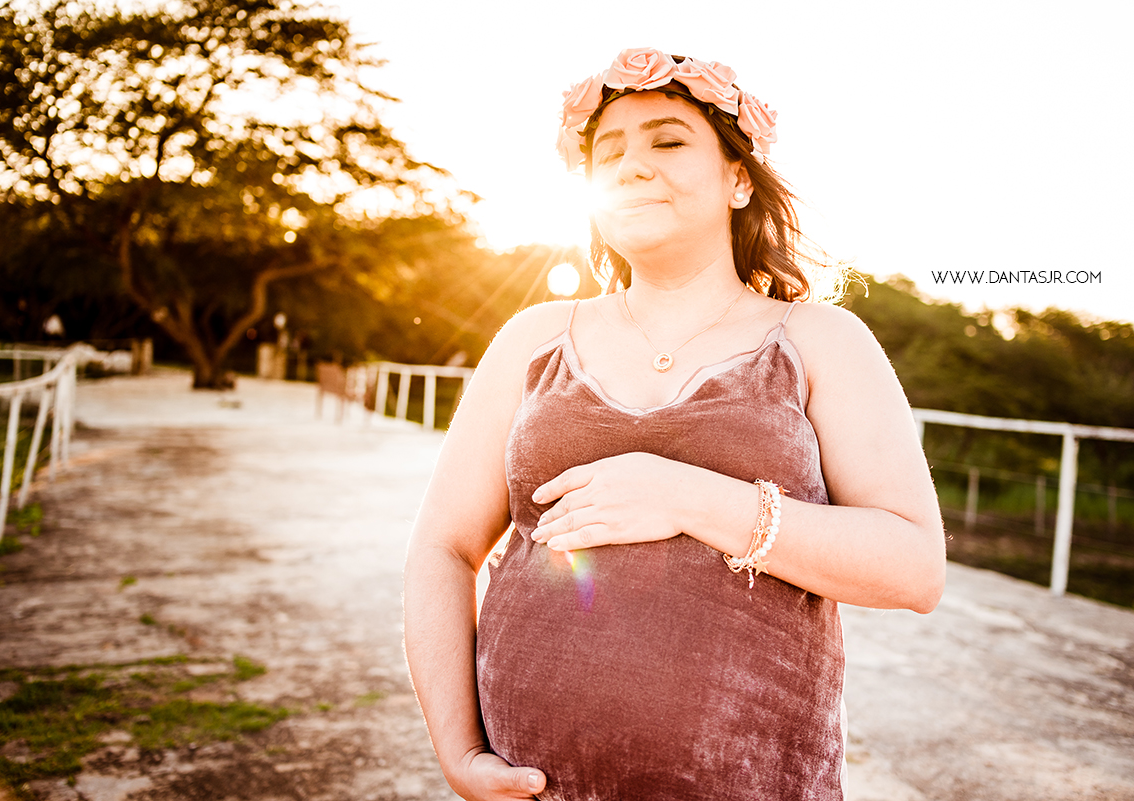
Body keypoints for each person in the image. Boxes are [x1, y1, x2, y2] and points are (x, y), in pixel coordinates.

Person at [404, 47, 945, 801]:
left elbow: (915, 566)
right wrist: (458, 749)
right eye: (609, 151)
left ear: (737, 178)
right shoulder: (534, 337)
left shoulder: (820, 340)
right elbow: (443, 545)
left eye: (667, 140)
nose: (632, 166)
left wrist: (687, 496)